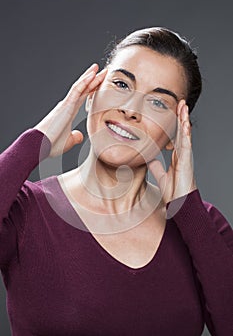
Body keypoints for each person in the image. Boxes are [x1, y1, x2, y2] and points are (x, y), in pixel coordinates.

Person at [0, 27, 233, 336]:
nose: (130, 110)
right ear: (90, 95)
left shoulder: (205, 226)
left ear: (176, 133)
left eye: (158, 102)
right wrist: (35, 142)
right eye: (122, 84)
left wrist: (187, 208)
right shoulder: (26, 211)